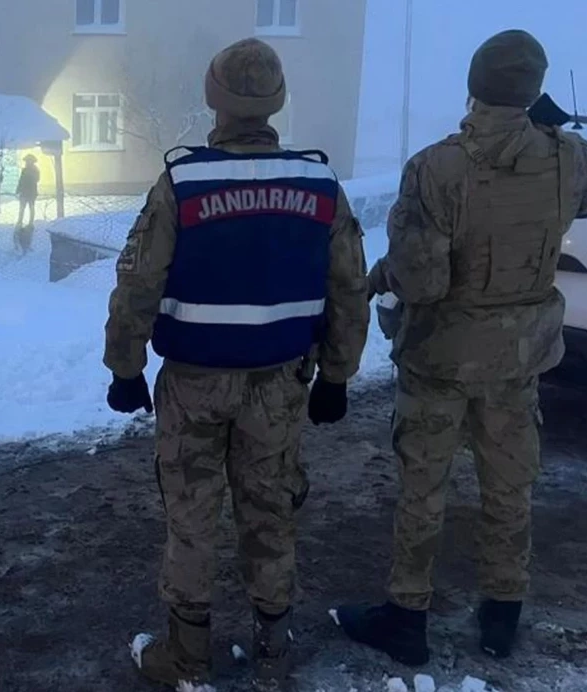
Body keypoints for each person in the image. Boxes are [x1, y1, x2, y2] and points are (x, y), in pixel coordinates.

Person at [335, 30, 587, 665]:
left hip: (439, 359)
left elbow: (423, 281)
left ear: (473, 86)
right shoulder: (569, 158)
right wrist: (555, 132)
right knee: (509, 486)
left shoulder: (436, 168)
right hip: (519, 360)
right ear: (534, 90)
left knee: (423, 488)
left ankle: (407, 616)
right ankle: (502, 615)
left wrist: (384, 274)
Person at [104, 38, 370, 690]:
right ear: (277, 102)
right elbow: (349, 290)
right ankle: (273, 652)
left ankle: (187, 658)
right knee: (270, 514)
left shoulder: (182, 183)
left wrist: (125, 367)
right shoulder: (320, 184)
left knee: (192, 518)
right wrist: (337, 376)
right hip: (281, 386)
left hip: (193, 386)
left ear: (213, 99)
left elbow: (138, 284)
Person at [15, 153, 40, 228]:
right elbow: (21, 180)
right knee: (22, 208)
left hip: (31, 192)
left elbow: (37, 179)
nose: (27, 162)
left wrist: (30, 175)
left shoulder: (35, 170)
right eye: (26, 161)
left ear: (32, 161)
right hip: (24, 192)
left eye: (28, 161)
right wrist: (18, 189)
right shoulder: (24, 170)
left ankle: (31, 222)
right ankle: (20, 221)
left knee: (31, 207)